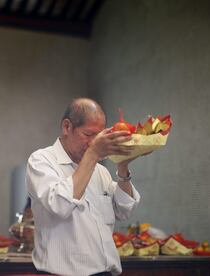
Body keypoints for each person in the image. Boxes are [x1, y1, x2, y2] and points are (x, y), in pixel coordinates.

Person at [26, 98, 141, 276]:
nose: (93, 143)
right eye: (88, 135)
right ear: (67, 127)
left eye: (98, 136)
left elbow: (124, 210)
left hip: (107, 272)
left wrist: (122, 167)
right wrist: (93, 154)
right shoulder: (41, 160)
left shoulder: (100, 171)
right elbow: (59, 205)